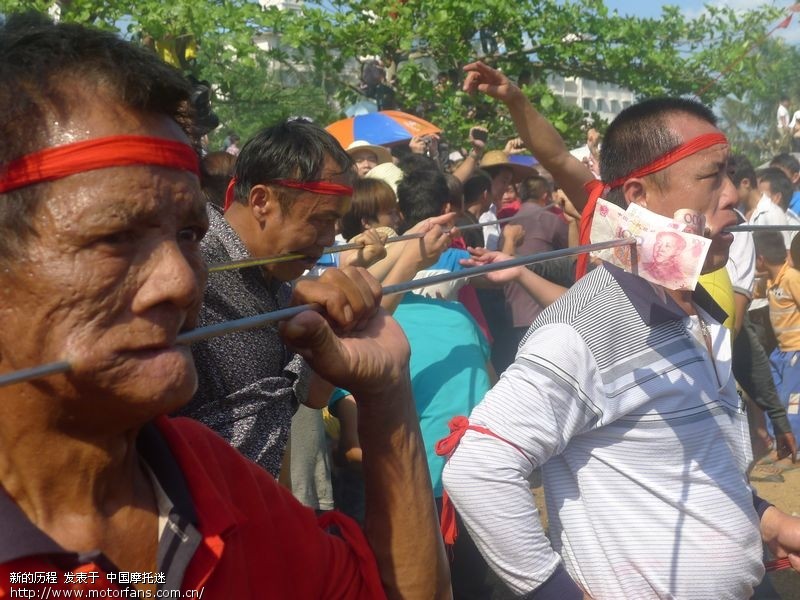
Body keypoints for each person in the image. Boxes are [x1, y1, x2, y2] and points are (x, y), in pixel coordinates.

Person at [0, 14, 451, 599]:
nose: (182, 283)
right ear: (258, 201)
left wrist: (387, 393)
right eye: (114, 237)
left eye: (188, 235)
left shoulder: (210, 481)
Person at [442, 86, 800, 598]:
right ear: (638, 196)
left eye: (729, 173)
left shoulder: (697, 305)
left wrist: (769, 523)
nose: (732, 197)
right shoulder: (586, 326)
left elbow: (681, 475)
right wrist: (556, 593)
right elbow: (479, 468)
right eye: (710, 177)